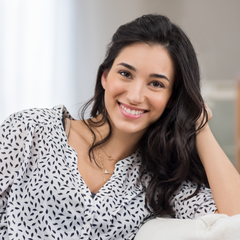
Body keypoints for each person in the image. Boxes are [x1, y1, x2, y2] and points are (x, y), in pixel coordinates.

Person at [0, 14, 240, 240]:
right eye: (125, 73)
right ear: (105, 76)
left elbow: (234, 220)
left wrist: (199, 124)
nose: (135, 96)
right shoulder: (30, 129)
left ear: (172, 99)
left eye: (156, 84)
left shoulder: (163, 178)